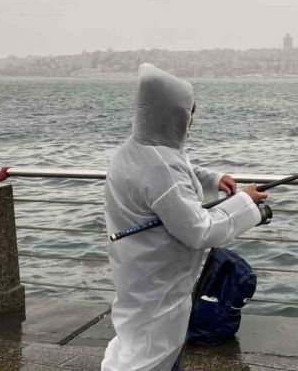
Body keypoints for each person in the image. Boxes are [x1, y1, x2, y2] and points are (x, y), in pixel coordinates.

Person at [101, 63, 268, 371]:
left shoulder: (136, 150)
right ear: (171, 114)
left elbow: (176, 171)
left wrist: (211, 179)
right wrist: (247, 203)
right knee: (153, 351)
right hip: (158, 280)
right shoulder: (159, 167)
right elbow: (198, 230)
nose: (191, 120)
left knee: (137, 340)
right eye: (189, 112)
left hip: (137, 269)